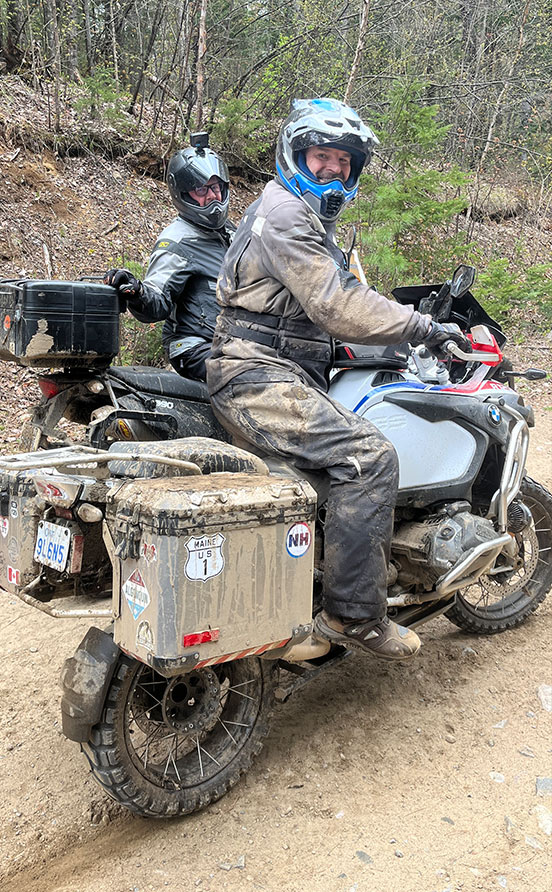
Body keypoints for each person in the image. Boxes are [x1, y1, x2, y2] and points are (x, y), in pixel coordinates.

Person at [204, 98, 468, 660]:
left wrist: (392, 332)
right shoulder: (286, 214)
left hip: (272, 367)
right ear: (295, 155)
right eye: (322, 156)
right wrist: (423, 326)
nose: (334, 170)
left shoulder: (295, 215)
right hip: (257, 375)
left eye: (345, 162)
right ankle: (352, 616)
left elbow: (321, 307)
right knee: (369, 457)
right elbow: (335, 303)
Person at [103, 134, 232, 382]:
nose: (212, 196)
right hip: (195, 346)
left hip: (235, 344)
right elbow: (157, 300)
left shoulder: (233, 233)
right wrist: (138, 292)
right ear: (183, 194)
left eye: (215, 187)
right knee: (255, 379)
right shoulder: (177, 242)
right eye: (201, 189)